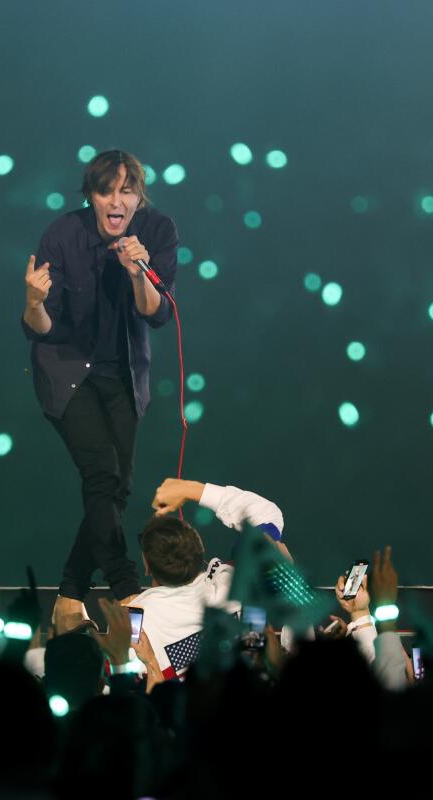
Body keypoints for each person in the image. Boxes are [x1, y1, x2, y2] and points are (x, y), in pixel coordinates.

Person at [21, 150, 179, 629]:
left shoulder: (157, 231)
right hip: (68, 373)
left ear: (138, 197)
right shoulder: (63, 235)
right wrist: (33, 300)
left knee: (117, 487)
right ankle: (126, 585)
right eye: (105, 191)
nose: (117, 201)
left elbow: (156, 312)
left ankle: (70, 596)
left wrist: (138, 273)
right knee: (102, 475)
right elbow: (40, 328)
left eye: (126, 191)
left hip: (125, 375)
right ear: (90, 197)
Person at [133, 478, 290, 678]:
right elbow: (266, 515)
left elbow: (117, 666)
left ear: (147, 566)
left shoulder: (135, 617)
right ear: (200, 552)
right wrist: (190, 490)